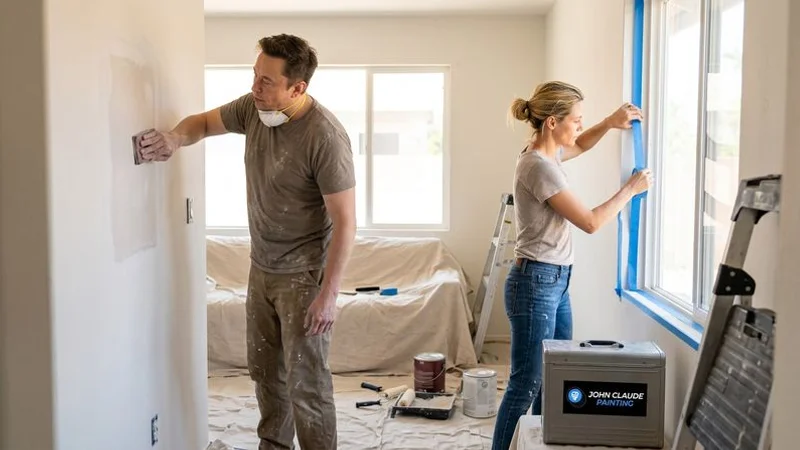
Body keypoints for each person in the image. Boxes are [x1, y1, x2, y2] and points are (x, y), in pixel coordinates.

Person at [136, 34, 355, 450]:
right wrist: (173, 139)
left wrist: (328, 295)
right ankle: (273, 445)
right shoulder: (254, 109)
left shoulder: (325, 137)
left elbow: (346, 222)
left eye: (267, 81)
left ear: (298, 88)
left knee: (306, 384)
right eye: (255, 76)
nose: (255, 87)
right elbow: (200, 123)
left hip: (304, 275)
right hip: (263, 267)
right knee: (266, 373)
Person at [490, 81, 652, 450]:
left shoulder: (547, 154)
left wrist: (610, 122)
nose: (580, 126)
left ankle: (538, 443)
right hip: (536, 284)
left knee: (554, 374)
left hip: (555, 281)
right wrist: (631, 189)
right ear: (551, 122)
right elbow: (591, 223)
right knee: (525, 382)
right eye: (576, 120)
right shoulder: (539, 167)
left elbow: (578, 144)